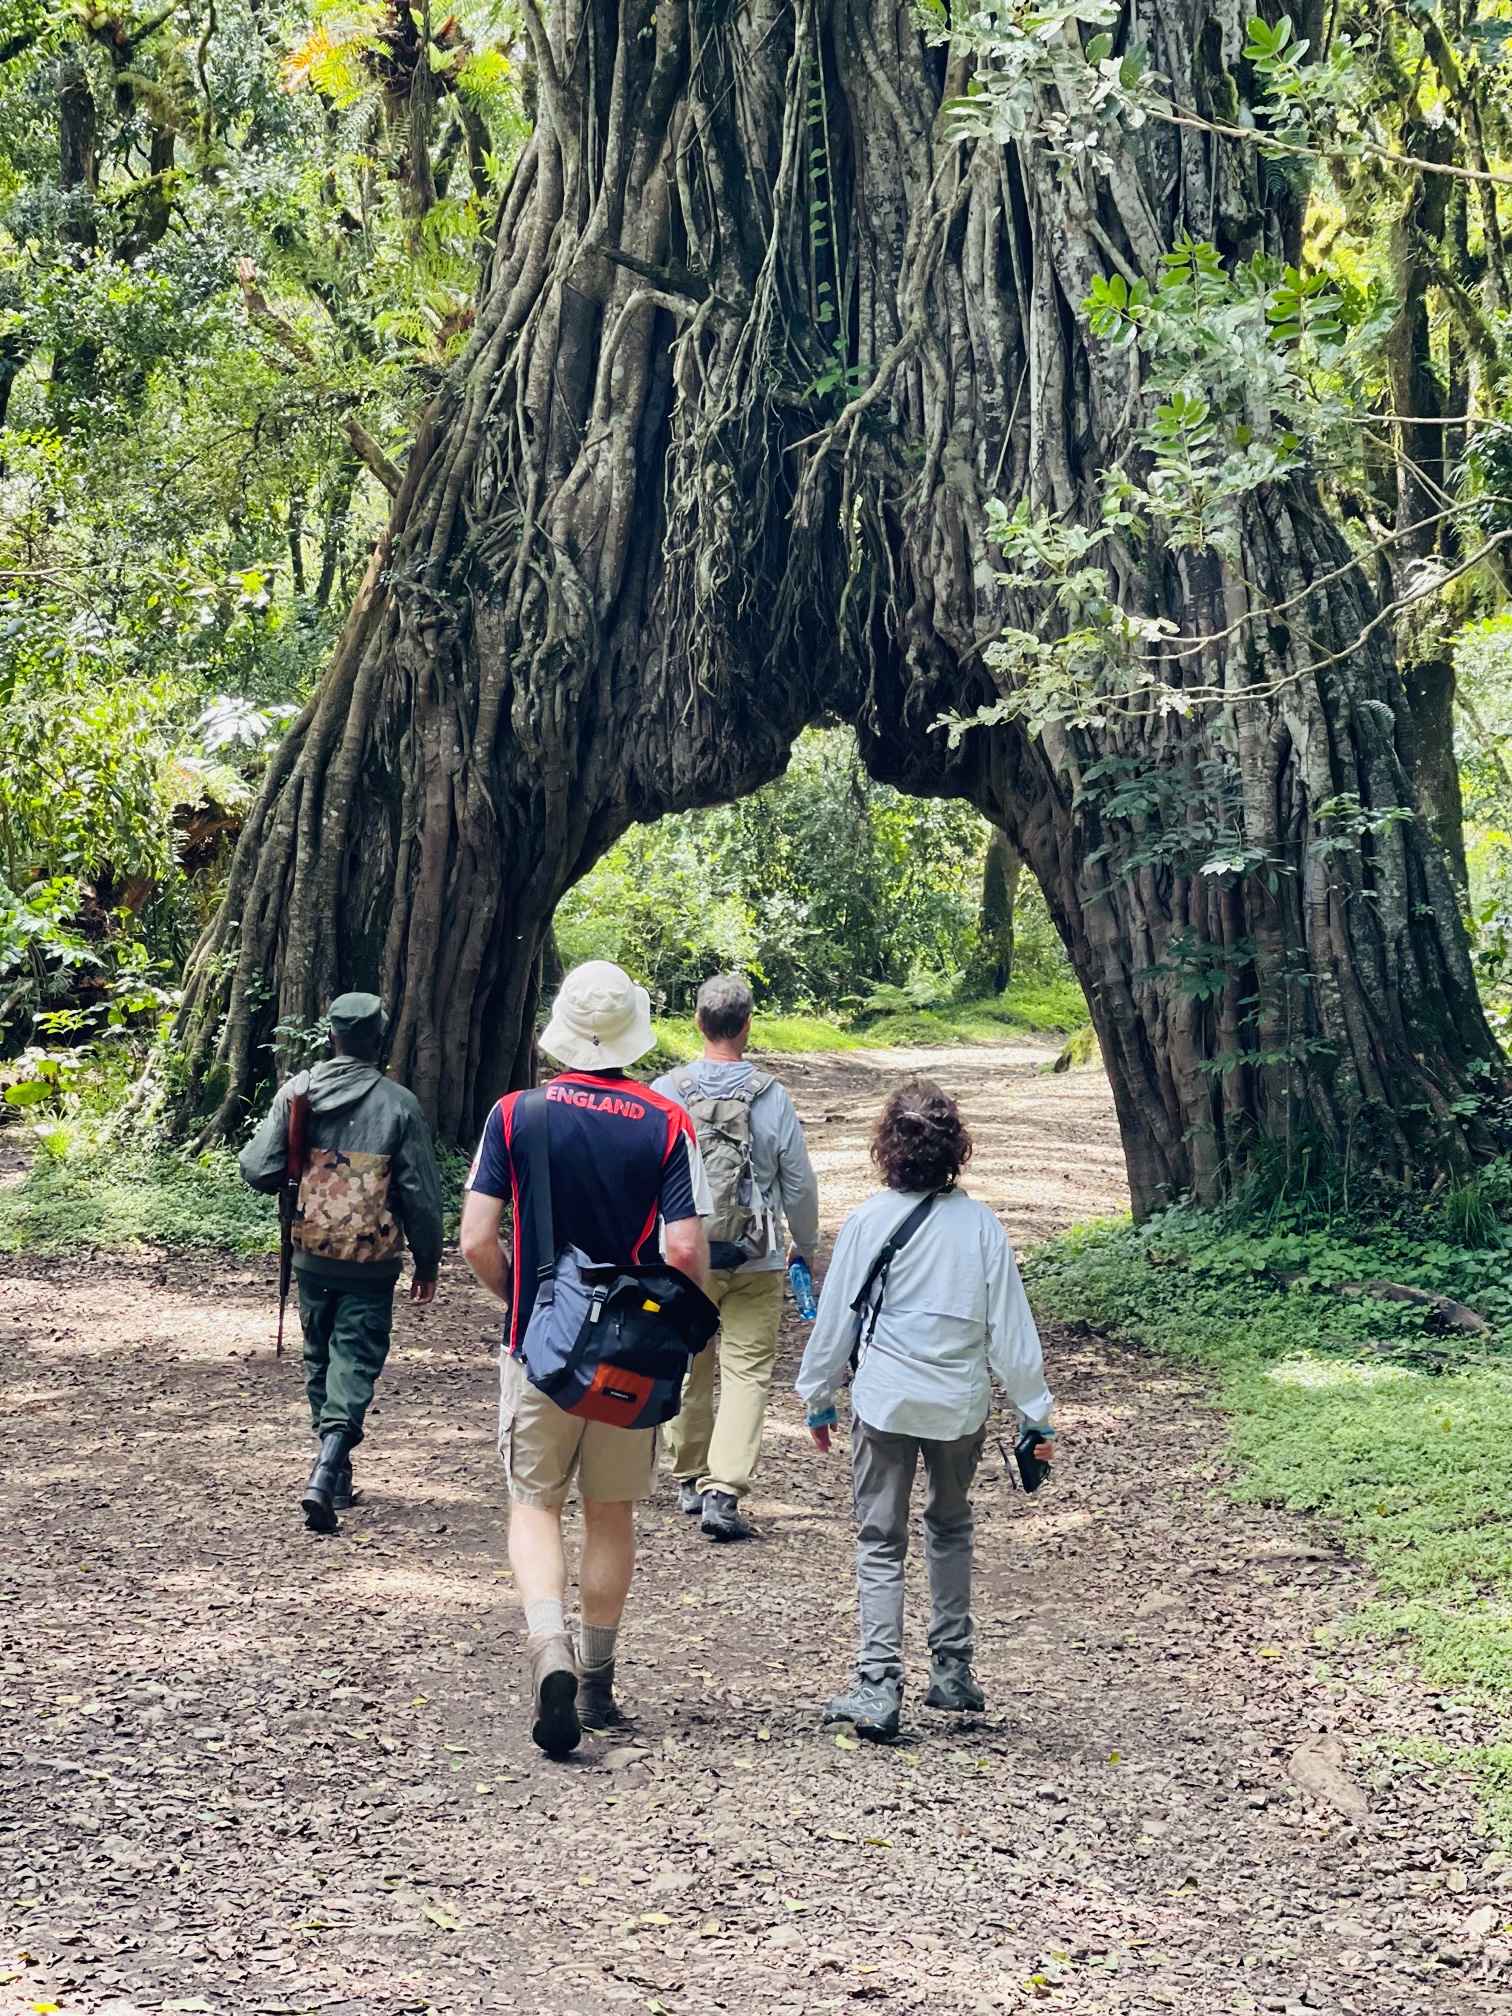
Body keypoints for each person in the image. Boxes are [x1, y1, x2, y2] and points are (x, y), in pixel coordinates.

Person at [459, 961, 711, 1755]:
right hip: (627, 1357)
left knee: (535, 1505)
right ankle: (598, 1681)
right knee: (610, 1512)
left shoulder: (515, 1115)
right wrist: (676, 1327)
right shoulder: (666, 1122)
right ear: (632, 1031)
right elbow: (684, 1249)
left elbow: (475, 1239)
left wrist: (525, 1307)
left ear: (563, 1030)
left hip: (539, 1350)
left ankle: (549, 1648)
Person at [796, 1080, 1054, 1740]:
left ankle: (878, 1684)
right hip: (959, 1406)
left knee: (880, 1538)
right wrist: (1034, 1414)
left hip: (884, 1400)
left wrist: (818, 1397)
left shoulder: (867, 1221)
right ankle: (953, 1671)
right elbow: (1011, 1332)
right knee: (950, 1526)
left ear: (887, 1147)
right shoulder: (980, 1226)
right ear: (954, 1148)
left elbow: (837, 1322)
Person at [239, 991, 444, 1534]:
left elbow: (257, 1168)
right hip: (370, 1263)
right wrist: (427, 1262)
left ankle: (336, 1470)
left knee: (320, 1358)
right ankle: (328, 1468)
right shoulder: (399, 1104)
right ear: (378, 1040)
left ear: (332, 1037)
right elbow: (421, 1195)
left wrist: (304, 1167)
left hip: (310, 1256)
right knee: (354, 1358)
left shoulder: (298, 1092)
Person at [654, 973, 820, 1541]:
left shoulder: (666, 1091)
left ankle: (687, 1476)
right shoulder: (772, 1096)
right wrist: (805, 1246)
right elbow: (798, 1183)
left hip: (683, 1257)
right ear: (748, 1025)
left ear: (697, 1023)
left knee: (688, 1362)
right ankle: (723, 1491)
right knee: (747, 1373)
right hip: (757, 1257)